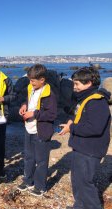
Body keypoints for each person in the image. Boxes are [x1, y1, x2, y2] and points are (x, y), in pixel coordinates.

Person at [59, 67, 111, 209]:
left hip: (90, 150)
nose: (74, 87)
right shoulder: (84, 99)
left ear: (88, 83)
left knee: (85, 182)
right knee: (77, 180)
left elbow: (95, 128)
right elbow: (76, 115)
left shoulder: (97, 102)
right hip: (81, 146)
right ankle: (80, 206)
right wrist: (70, 122)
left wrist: (72, 128)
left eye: (77, 84)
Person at [17, 64, 57, 196]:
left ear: (42, 79)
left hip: (42, 131)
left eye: (33, 80)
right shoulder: (31, 88)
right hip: (29, 129)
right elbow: (29, 102)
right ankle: (28, 181)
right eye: (30, 80)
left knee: (41, 160)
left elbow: (52, 115)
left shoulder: (49, 94)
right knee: (28, 157)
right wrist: (24, 106)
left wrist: (34, 114)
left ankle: (40, 186)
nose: (30, 82)